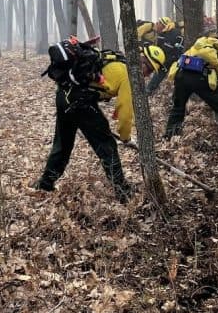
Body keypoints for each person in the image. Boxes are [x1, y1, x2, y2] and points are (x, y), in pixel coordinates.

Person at [36, 44, 166, 200]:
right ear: (141, 60)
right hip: (80, 103)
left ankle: (45, 184)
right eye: (149, 69)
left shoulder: (118, 61)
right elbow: (125, 113)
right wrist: (125, 137)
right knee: (107, 146)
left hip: (64, 95)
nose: (147, 74)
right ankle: (123, 192)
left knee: (63, 144)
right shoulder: (129, 76)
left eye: (151, 72)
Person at [165, 32, 218, 148]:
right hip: (202, 78)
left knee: (178, 107)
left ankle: (170, 137)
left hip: (181, 75)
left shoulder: (201, 42)